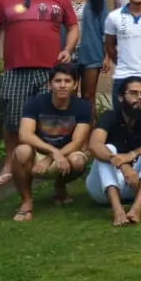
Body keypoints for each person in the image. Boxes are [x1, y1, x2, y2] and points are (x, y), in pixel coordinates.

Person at [0, 0, 79, 186]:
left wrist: (68, 49)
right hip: (15, 69)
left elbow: (73, 27)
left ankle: (44, 161)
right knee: (12, 120)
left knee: (50, 120)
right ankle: (10, 162)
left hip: (50, 71)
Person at [10, 64, 93, 222]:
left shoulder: (83, 107)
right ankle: (27, 201)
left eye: (67, 81)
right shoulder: (35, 103)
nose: (62, 85)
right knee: (21, 151)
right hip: (38, 152)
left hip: (67, 153)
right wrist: (52, 152)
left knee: (78, 161)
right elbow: (25, 135)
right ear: (49, 84)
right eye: (58, 81)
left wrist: (52, 157)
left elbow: (78, 142)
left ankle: (60, 186)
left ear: (75, 85)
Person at [86, 78, 141, 226]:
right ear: (120, 97)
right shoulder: (109, 116)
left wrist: (133, 155)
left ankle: (136, 208)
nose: (139, 98)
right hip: (101, 189)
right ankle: (117, 210)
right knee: (108, 148)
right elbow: (94, 144)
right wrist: (122, 165)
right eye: (133, 93)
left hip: (133, 184)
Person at [64, 0, 107, 104]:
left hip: (92, 53)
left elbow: (105, 30)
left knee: (89, 95)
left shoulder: (98, 0)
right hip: (66, 53)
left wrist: (107, 57)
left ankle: (88, 119)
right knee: (68, 94)